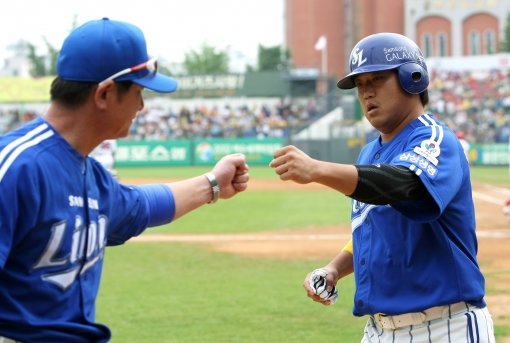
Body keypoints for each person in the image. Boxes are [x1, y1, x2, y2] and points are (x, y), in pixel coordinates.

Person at [0, 18, 249, 343]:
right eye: (138, 92)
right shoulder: (17, 167)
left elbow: (141, 205)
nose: (142, 106)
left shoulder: (92, 176)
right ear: (104, 94)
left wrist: (214, 183)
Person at [269, 32, 495, 342]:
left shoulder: (434, 138)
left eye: (376, 79)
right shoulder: (369, 153)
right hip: (379, 330)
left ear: (412, 79)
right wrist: (334, 269)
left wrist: (317, 169)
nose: (366, 93)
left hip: (446, 325)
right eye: (360, 85)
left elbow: (406, 185)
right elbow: (374, 228)